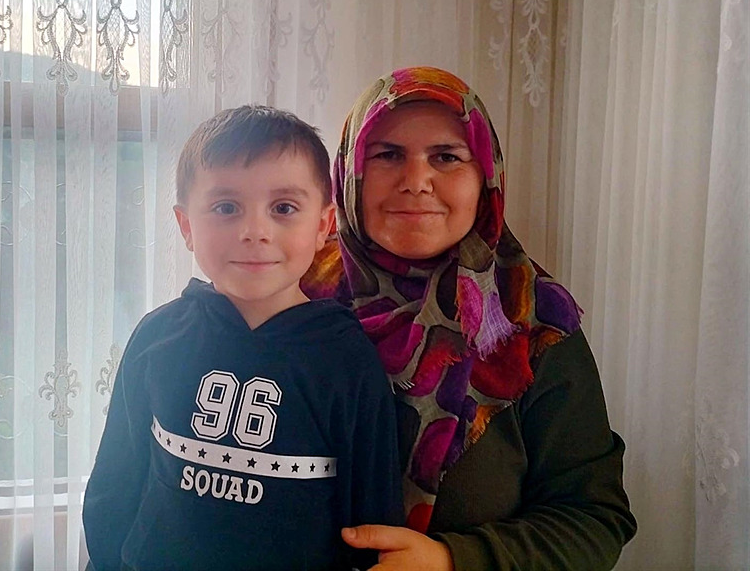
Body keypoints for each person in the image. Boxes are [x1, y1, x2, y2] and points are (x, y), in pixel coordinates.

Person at [302, 67, 637, 570]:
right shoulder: (291, 295)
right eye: (387, 155)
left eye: (446, 157)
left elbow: (594, 519)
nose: (416, 182)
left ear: (486, 178)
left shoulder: (533, 323)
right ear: (349, 172)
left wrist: (452, 561)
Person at [83, 105, 404, 571]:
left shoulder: (348, 361)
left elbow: (372, 524)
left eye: (284, 208)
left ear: (323, 226)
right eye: (226, 208)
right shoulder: (158, 337)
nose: (254, 232)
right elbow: (115, 484)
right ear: (187, 226)